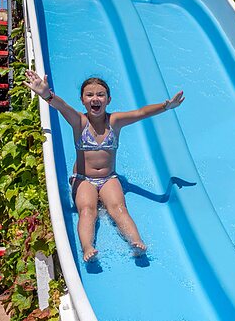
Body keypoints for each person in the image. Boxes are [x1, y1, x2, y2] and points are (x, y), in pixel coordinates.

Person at [24, 69, 184, 261]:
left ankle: (136, 242)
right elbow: (62, 107)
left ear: (108, 99)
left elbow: (141, 113)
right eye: (89, 95)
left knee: (118, 208)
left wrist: (166, 106)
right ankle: (87, 247)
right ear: (82, 100)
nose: (95, 98)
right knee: (87, 209)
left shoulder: (115, 121)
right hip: (83, 179)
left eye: (100, 94)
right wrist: (46, 94)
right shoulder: (79, 121)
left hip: (109, 178)